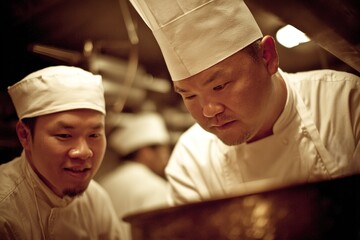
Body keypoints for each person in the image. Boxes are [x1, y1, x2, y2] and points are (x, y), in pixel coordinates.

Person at [129, 0, 360, 205]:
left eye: (219, 86)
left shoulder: (347, 103)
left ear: (267, 57)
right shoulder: (191, 160)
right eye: (189, 95)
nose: (209, 111)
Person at [0, 66, 125, 239]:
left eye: (94, 135)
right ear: (25, 135)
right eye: (64, 135)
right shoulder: (4, 210)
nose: (83, 152)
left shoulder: (96, 200)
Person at [99, 112, 171, 240]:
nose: (167, 157)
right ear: (145, 152)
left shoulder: (103, 184)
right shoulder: (155, 187)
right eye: (164, 150)